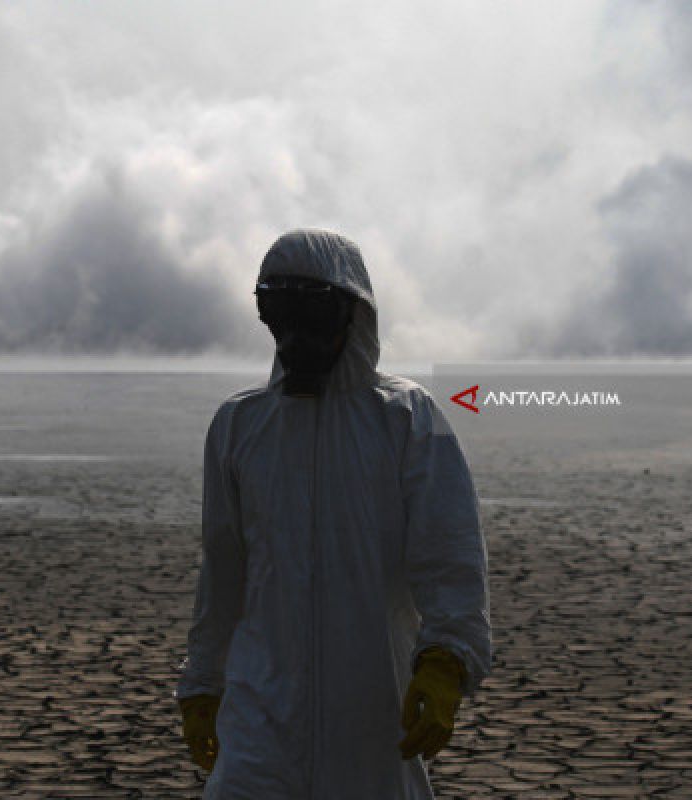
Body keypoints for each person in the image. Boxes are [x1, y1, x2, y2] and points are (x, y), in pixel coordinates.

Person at [175, 228, 492, 799]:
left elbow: (451, 557)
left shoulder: (405, 419)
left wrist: (446, 660)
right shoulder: (240, 427)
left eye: (311, 314)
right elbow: (223, 574)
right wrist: (203, 685)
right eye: (278, 313)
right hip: (260, 717)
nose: (295, 336)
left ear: (352, 312)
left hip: (372, 711)